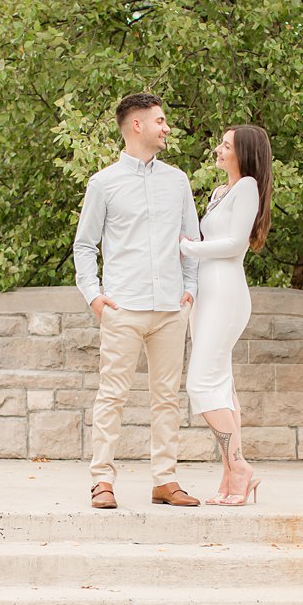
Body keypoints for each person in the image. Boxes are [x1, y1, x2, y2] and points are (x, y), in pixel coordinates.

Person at [73, 93, 203, 510]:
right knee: (112, 395)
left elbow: (191, 242)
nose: (166, 128)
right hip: (123, 307)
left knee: (167, 397)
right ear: (137, 126)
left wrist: (190, 290)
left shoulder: (177, 181)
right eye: (160, 121)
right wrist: (94, 296)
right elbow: (84, 245)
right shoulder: (104, 183)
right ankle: (101, 481)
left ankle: (165, 480)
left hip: (170, 308)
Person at [179, 125, 274, 506]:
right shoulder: (222, 192)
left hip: (226, 293)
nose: (218, 149)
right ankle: (230, 476)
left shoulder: (248, 187)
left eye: (226, 145)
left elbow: (235, 244)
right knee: (220, 386)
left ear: (244, 154)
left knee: (200, 384)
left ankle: (240, 466)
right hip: (208, 295)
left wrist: (187, 247)